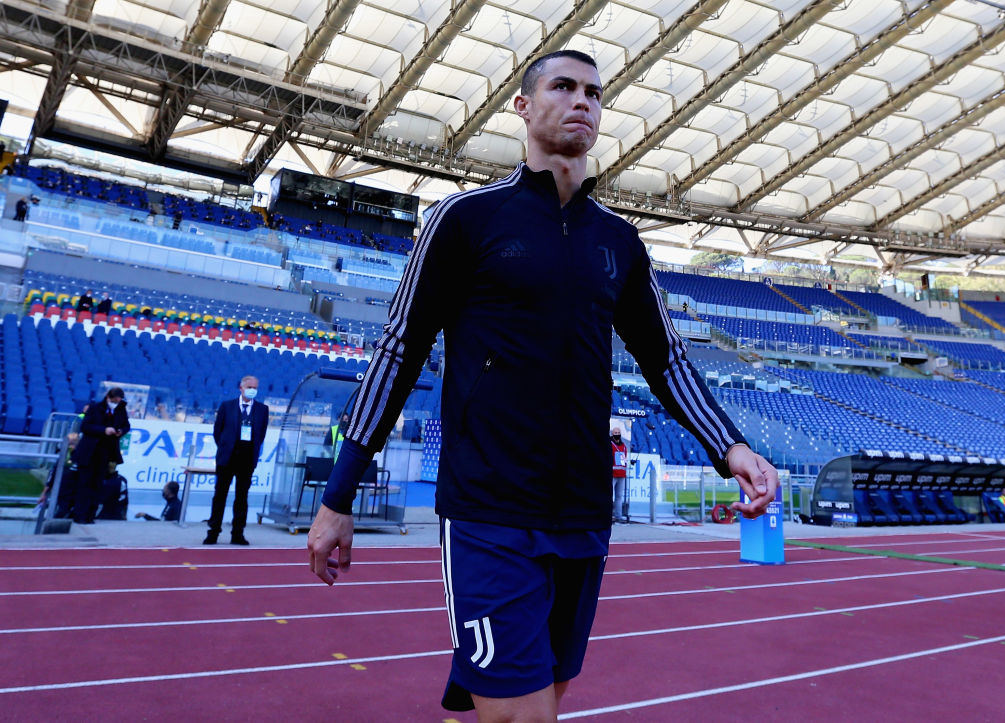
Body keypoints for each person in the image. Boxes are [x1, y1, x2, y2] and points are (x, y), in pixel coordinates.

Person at [307, 50, 778, 720]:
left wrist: (732, 447)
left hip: (583, 516)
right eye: (564, 86)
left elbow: (666, 359)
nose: (583, 100)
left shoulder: (619, 241)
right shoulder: (464, 219)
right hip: (489, 510)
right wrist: (339, 493)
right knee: (521, 715)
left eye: (594, 92)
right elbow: (399, 350)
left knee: (543, 702)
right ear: (523, 107)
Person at [204, 375, 268, 545]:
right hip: (227, 458)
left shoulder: (262, 410)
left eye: (255, 388)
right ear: (241, 387)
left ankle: (238, 533)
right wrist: (226, 447)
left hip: (247, 460)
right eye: (249, 387)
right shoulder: (227, 406)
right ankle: (213, 532)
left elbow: (261, 435)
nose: (252, 390)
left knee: (242, 497)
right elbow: (218, 431)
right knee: (220, 496)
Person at [71, 388, 130, 524]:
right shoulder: (95, 408)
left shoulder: (121, 410)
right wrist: (104, 430)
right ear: (108, 397)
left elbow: (126, 425)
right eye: (114, 400)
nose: (116, 403)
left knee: (97, 485)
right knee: (85, 484)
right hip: (89, 452)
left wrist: (121, 431)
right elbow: (86, 427)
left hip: (106, 453)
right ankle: (80, 515)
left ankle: (91, 515)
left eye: (118, 401)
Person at [610, 426, 629, 523]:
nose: (617, 434)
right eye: (615, 432)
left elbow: (624, 460)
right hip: (612, 474)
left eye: (618, 432)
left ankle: (618, 516)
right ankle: (608, 516)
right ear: (612, 434)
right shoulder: (610, 444)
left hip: (621, 475)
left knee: (619, 497)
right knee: (609, 496)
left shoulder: (624, 446)